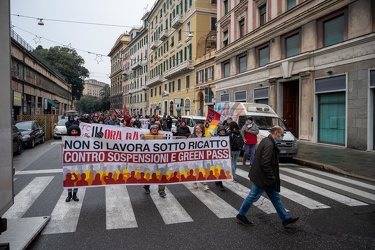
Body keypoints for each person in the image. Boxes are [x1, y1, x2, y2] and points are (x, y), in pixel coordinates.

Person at [236, 126, 299, 228]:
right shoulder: (269, 144)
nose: (282, 137)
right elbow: (265, 162)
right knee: (252, 196)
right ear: (276, 133)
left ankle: (286, 219)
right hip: (263, 178)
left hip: (263, 177)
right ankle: (241, 215)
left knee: (275, 198)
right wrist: (271, 176)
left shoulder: (266, 140)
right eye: (282, 135)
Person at [142, 124, 167, 197]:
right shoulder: (146, 136)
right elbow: (139, 144)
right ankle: (146, 186)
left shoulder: (161, 136)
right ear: (150, 129)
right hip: (149, 158)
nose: (155, 129)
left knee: (162, 173)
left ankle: (161, 190)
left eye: (156, 128)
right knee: (149, 173)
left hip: (160, 158)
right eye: (153, 128)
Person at [189, 124, 209, 191]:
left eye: (198, 128)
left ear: (201, 129)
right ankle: (195, 182)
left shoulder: (204, 137)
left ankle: (205, 184)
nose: (196, 130)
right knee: (195, 169)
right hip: (194, 156)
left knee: (202, 169)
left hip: (202, 156)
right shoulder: (192, 136)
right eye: (196, 128)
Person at [65, 125, 81, 202]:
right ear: (70, 132)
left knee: (76, 178)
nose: (74, 132)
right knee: (68, 178)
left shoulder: (82, 140)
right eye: (72, 131)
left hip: (77, 163)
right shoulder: (66, 140)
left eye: (75, 131)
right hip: (69, 163)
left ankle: (75, 194)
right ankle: (69, 194)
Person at [215, 125, 227, 191]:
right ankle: (220, 183)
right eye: (221, 131)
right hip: (217, 156)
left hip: (224, 157)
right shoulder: (216, 137)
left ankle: (218, 181)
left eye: (223, 131)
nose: (222, 132)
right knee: (218, 169)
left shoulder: (227, 137)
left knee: (223, 169)